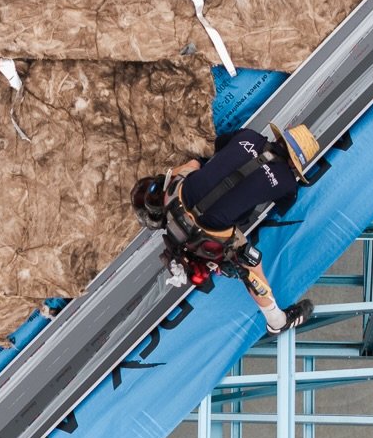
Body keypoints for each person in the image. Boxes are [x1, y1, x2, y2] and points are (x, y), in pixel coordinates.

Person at [131, 123, 318, 334]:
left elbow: (217, 148)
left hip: (176, 200)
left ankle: (154, 210)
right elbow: (284, 207)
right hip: (208, 233)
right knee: (252, 262)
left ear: (281, 138)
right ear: (296, 165)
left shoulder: (248, 134)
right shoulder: (288, 185)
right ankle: (277, 321)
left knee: (193, 164)